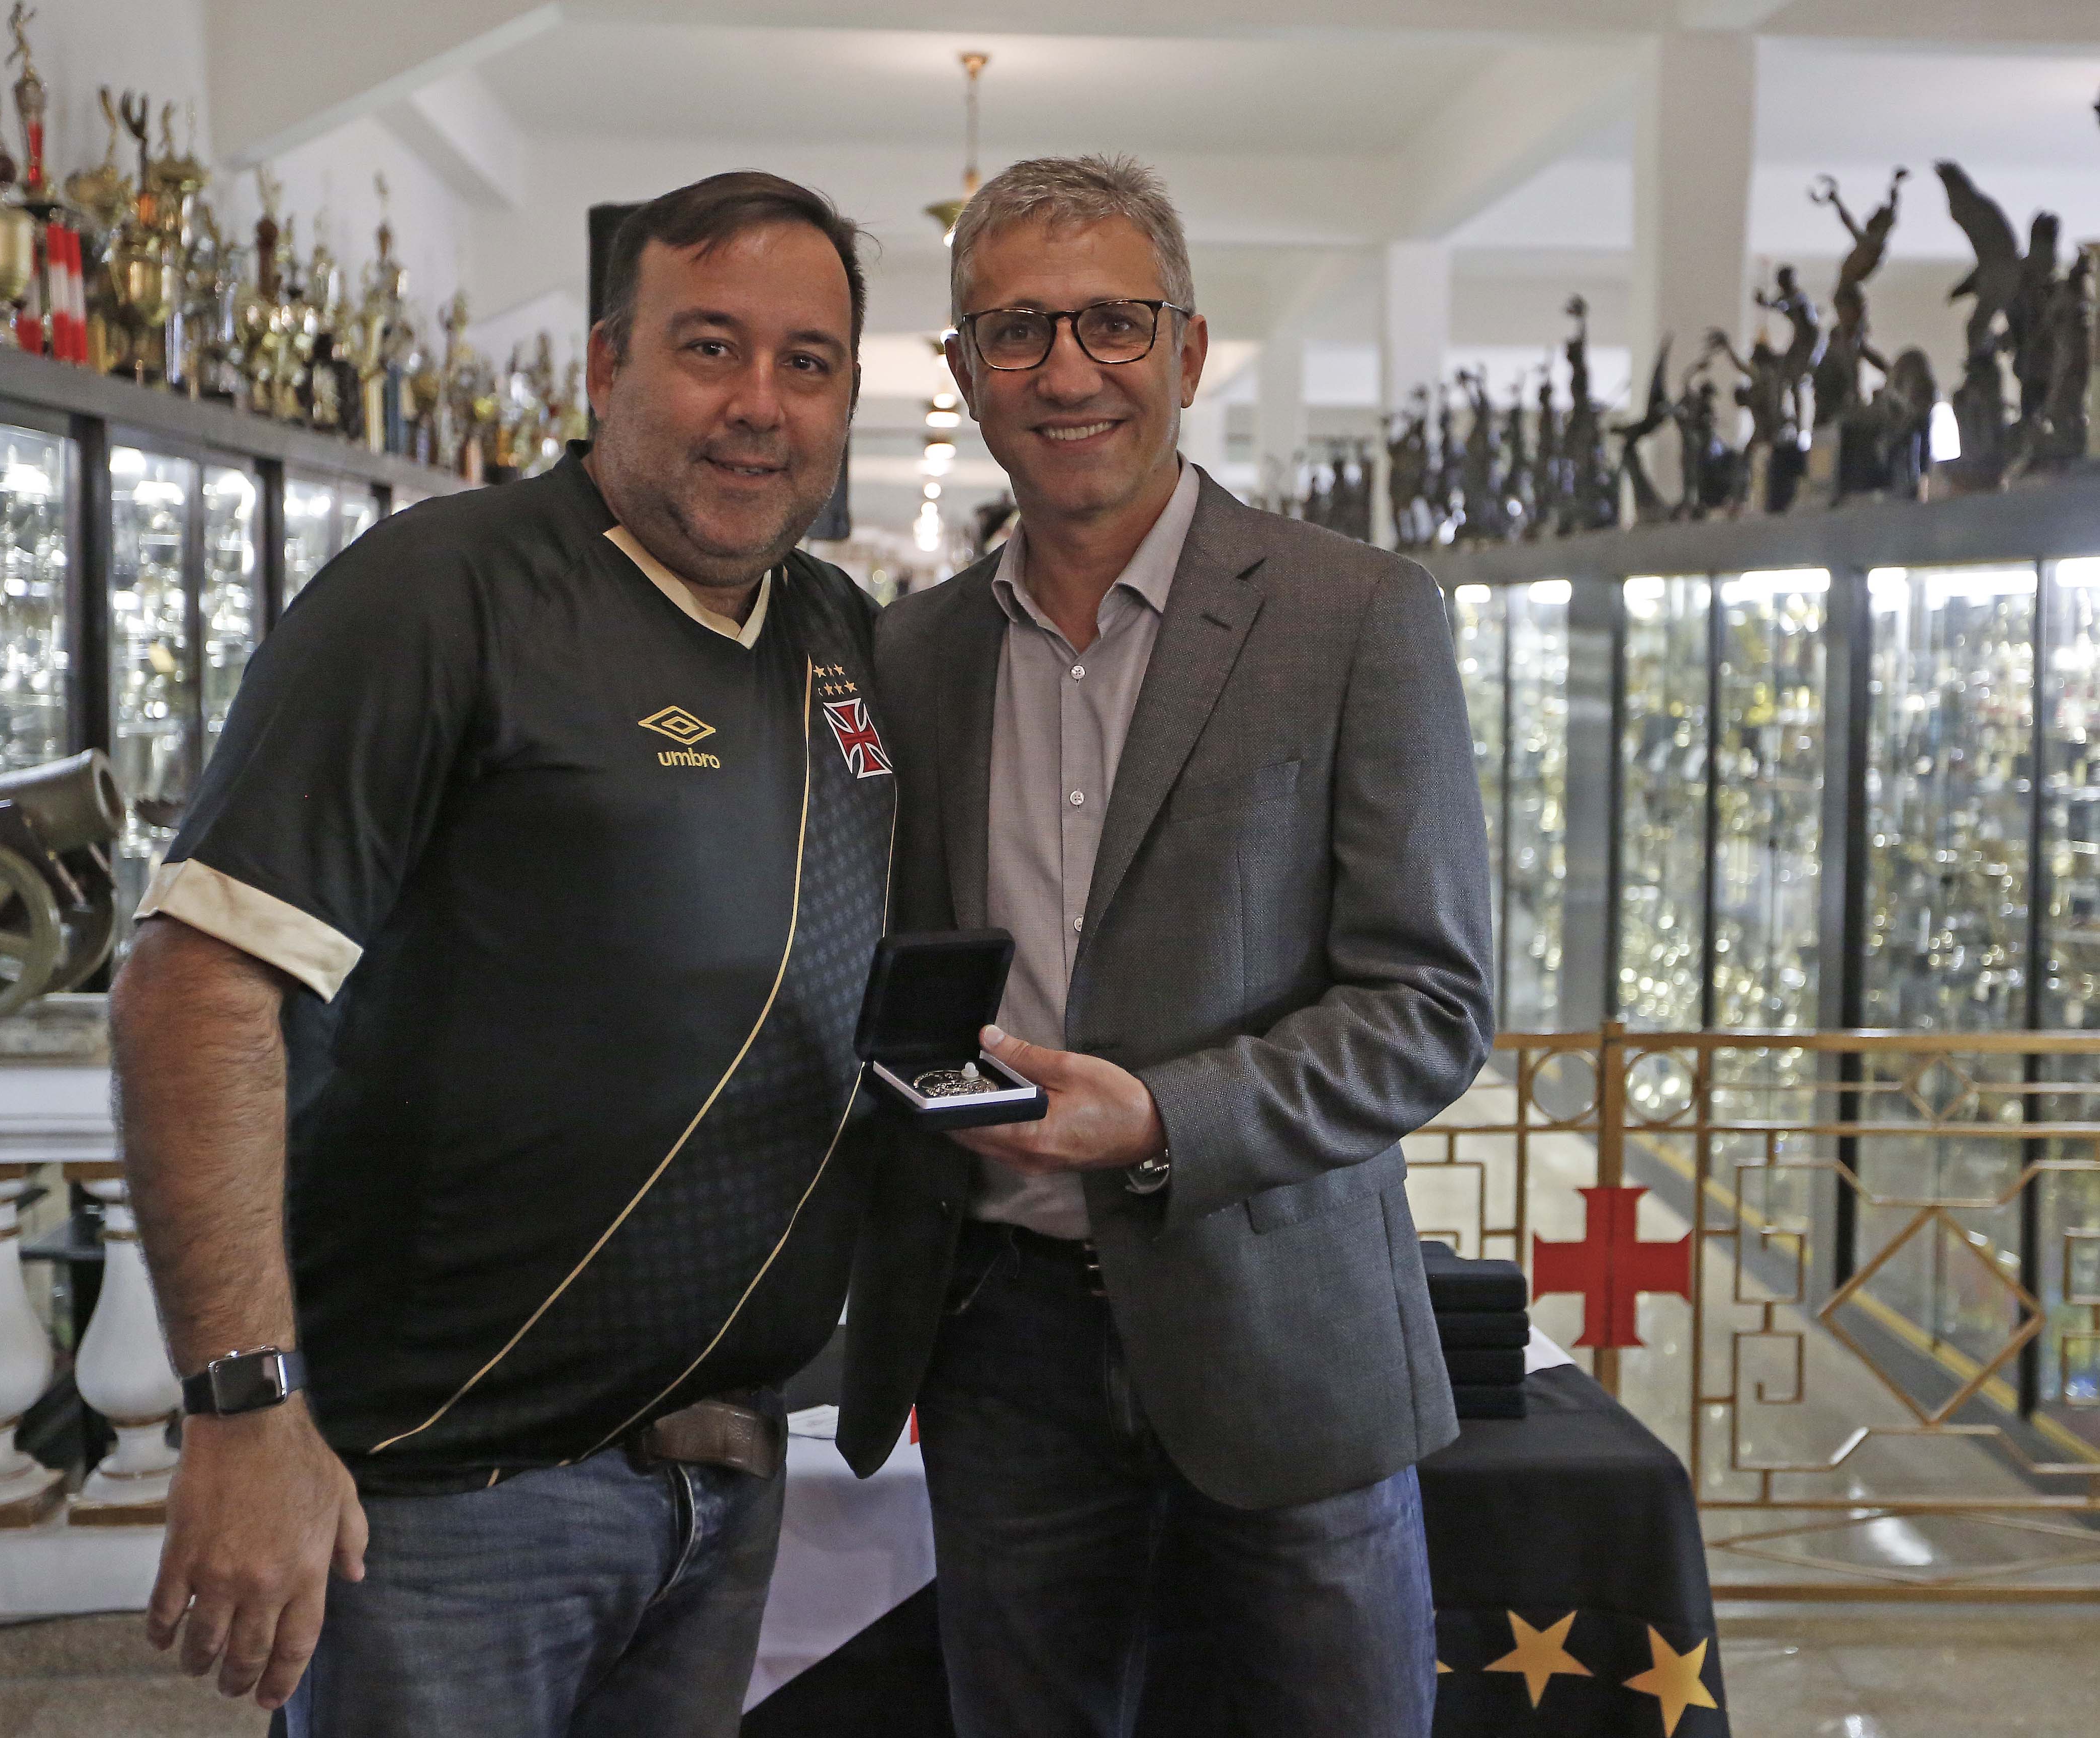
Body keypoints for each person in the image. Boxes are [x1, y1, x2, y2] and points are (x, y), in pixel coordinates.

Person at [110, 170, 896, 1738]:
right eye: (710, 347)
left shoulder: (837, 633)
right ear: (606, 365)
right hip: (451, 1506)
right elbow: (196, 986)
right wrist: (245, 1410)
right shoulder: (441, 591)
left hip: (730, 1473)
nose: (759, 404)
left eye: (807, 363)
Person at [838, 155, 1496, 1738]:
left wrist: (1161, 1118)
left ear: (1188, 353)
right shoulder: (912, 654)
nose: (1066, 371)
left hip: (1284, 1334)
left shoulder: (1356, 615)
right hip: (1003, 1347)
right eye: (1016, 331)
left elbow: (1430, 1003)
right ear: (964, 375)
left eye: (1113, 323)